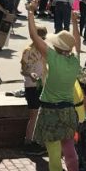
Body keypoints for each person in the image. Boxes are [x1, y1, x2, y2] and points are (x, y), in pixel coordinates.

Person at [26, 0, 85, 171]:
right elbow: (76, 41)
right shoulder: (75, 60)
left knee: (53, 154)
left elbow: (34, 36)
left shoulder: (52, 57)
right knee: (70, 150)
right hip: (68, 111)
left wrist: (31, 12)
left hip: (50, 111)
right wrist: (75, 22)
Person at [20, 23, 48, 154]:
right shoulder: (27, 51)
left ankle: (36, 140)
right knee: (34, 115)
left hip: (43, 85)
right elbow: (23, 70)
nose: (42, 39)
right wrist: (30, 74)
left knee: (41, 114)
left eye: (44, 36)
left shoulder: (44, 49)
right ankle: (28, 141)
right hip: (31, 86)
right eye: (40, 36)